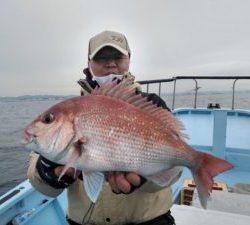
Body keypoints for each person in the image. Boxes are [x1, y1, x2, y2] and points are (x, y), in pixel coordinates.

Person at [27, 30, 182, 225]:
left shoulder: (151, 105)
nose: (110, 63)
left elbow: (174, 171)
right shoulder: (67, 112)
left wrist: (146, 177)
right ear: (89, 62)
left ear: (129, 59)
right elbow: (43, 187)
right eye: (101, 58)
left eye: (117, 56)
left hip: (149, 220)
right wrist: (47, 170)